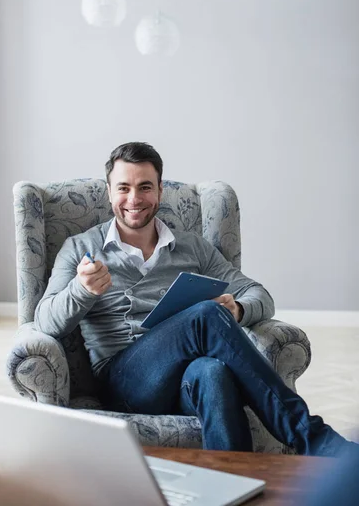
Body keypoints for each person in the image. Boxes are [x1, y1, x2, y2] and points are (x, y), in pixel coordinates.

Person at [35, 142, 358, 457]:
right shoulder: (81, 248)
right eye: (123, 188)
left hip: (184, 382)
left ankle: (234, 484)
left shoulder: (193, 247)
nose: (134, 199)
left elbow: (260, 295)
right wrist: (82, 289)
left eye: (145, 187)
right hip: (124, 383)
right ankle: (313, 438)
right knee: (204, 315)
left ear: (160, 191)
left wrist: (239, 308)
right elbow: (44, 321)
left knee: (212, 371)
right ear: (109, 192)